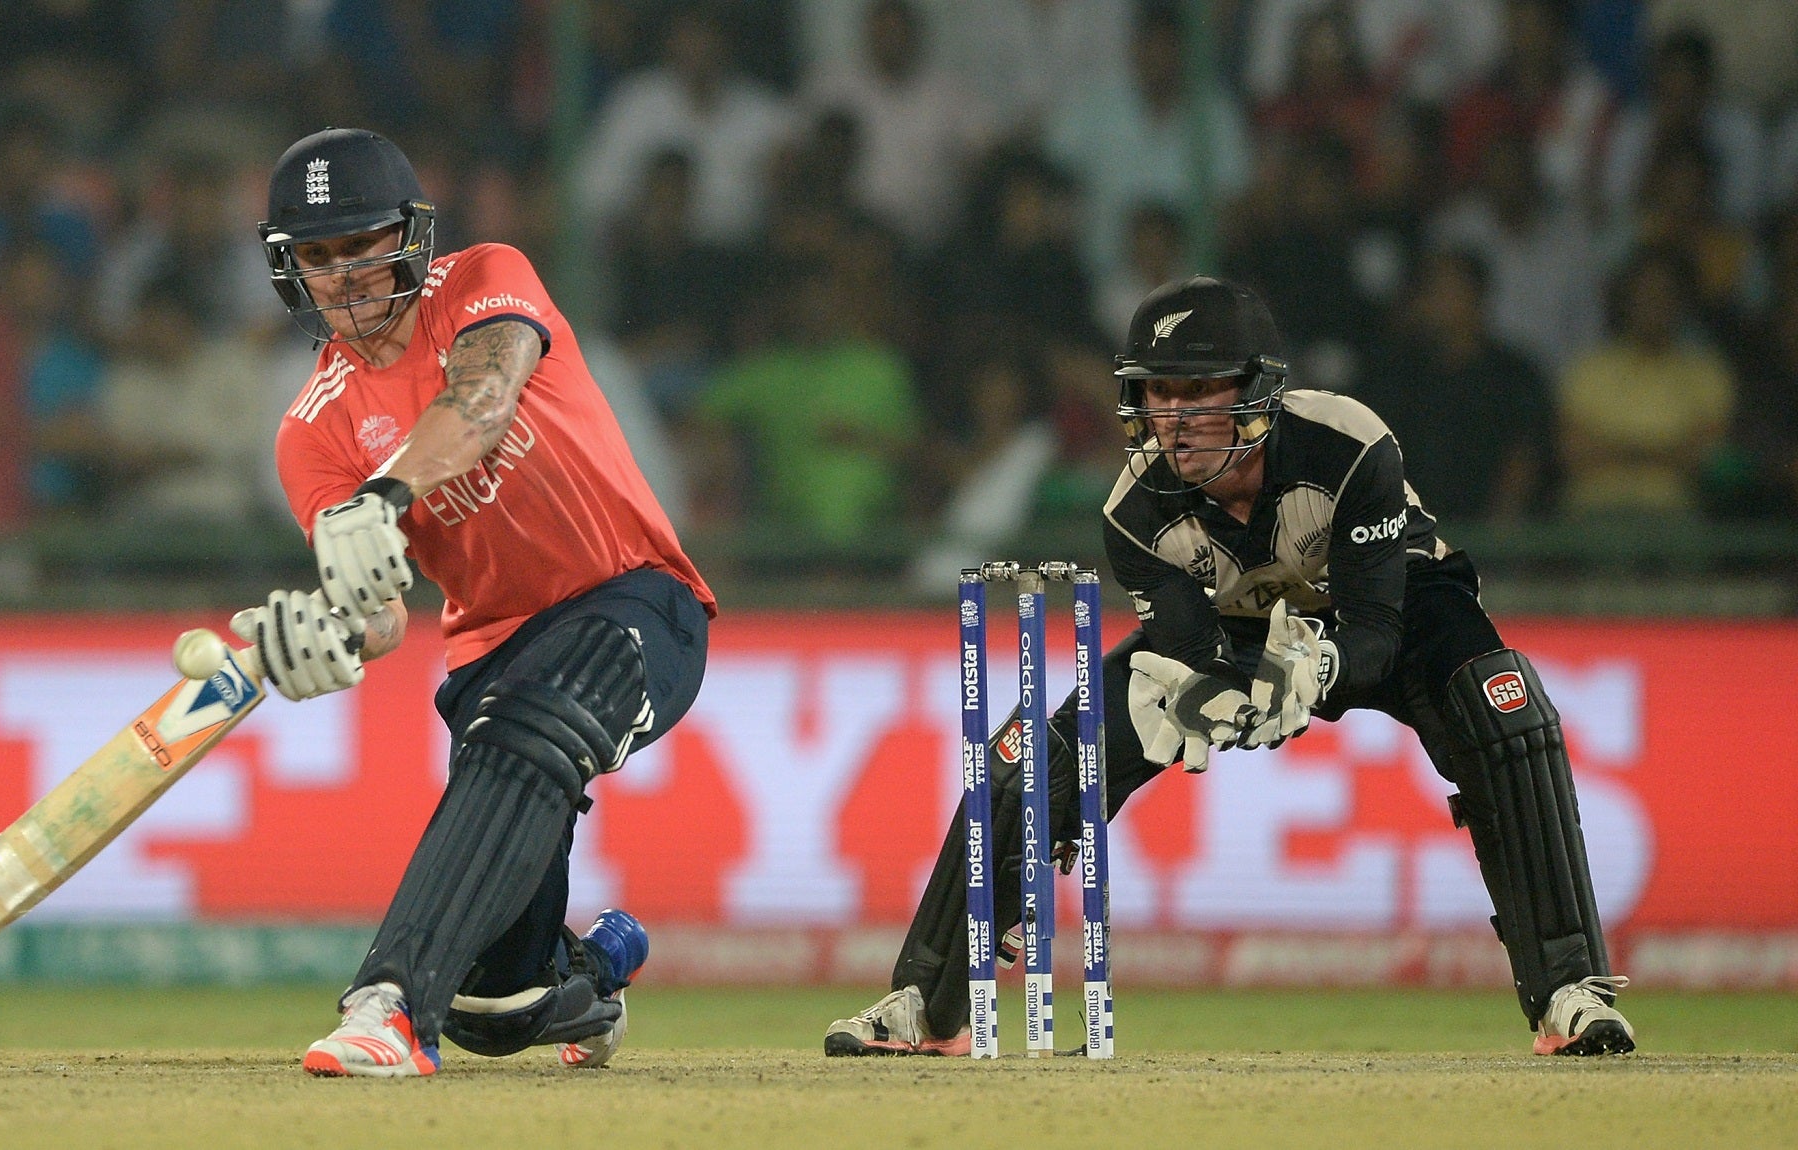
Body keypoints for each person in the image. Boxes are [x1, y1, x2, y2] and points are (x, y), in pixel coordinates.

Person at [824, 276, 1636, 1059]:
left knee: (1506, 711)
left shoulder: (1349, 444)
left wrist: (1313, 669)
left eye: (1197, 391)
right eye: (1156, 393)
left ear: (1257, 389)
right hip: (1233, 626)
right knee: (1026, 760)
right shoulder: (1134, 515)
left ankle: (1569, 992)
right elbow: (1192, 648)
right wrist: (1208, 691)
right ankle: (928, 1003)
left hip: (1393, 605)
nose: (1171, 420)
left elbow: (1379, 637)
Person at [238, 127, 718, 1078]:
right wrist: (327, 637)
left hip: (632, 599)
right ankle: (593, 967)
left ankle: (386, 1006)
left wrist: (382, 499)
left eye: (363, 244)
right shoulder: (309, 434)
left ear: (410, 238)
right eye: (317, 257)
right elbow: (379, 610)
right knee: (499, 1008)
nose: (343, 277)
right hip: (492, 659)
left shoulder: (485, 280)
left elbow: (485, 396)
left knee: (530, 725)